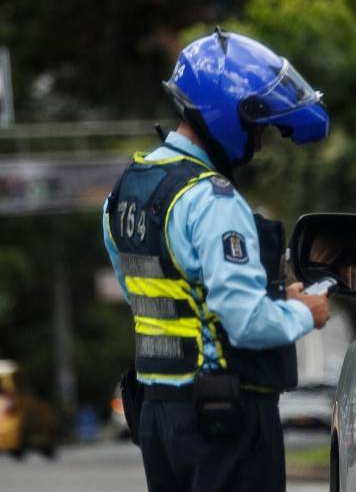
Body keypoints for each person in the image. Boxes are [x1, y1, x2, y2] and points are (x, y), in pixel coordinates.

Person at [102, 28, 331, 492]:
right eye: (257, 129)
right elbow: (245, 324)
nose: (258, 145)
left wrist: (274, 299)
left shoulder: (125, 192)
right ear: (227, 114)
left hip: (159, 417)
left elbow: (155, 294)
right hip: (221, 416)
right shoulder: (211, 198)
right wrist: (305, 313)